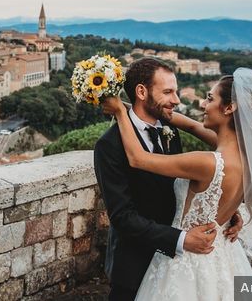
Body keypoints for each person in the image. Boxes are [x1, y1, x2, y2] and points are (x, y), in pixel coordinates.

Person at [103, 67, 252, 300]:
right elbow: (192, 125)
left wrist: (120, 112)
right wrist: (136, 108)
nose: (202, 104)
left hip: (188, 259)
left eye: (209, 99)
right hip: (224, 255)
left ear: (229, 107)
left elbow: (138, 158)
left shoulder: (205, 163)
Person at [93, 58, 242, 301]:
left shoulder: (169, 130)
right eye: (168, 92)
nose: (177, 100)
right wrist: (182, 240)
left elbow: (191, 186)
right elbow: (122, 218)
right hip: (136, 264)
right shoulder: (109, 145)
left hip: (182, 268)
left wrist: (222, 210)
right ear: (142, 92)